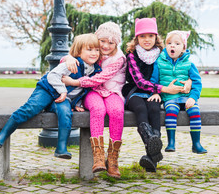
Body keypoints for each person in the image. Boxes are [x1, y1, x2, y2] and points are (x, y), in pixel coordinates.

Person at [0, 34, 101, 159]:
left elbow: (81, 90)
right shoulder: (72, 64)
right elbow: (52, 75)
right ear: (78, 51)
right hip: (47, 90)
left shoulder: (95, 71)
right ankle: (2, 135)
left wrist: (77, 104)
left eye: (97, 50)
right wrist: (63, 91)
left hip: (62, 99)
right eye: (90, 49)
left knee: (65, 113)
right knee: (31, 108)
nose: (94, 53)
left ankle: (61, 148)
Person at [122, 18, 191, 172]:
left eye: (150, 36)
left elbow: (168, 73)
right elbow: (139, 82)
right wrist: (164, 89)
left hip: (154, 92)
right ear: (136, 38)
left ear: (156, 38)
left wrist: (159, 91)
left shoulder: (161, 54)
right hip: (135, 92)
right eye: (142, 36)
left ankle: (151, 157)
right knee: (141, 108)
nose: (147, 40)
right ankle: (154, 150)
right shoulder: (132, 56)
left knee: (154, 109)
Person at [62, 22, 126, 178]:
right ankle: (98, 157)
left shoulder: (119, 58)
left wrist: (76, 82)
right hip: (91, 92)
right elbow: (74, 53)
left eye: (111, 42)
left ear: (116, 43)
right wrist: (68, 58)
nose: (105, 46)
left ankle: (112, 159)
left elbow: (101, 78)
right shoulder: (93, 51)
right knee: (98, 109)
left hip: (112, 91)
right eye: (102, 41)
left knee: (116, 111)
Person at [149, 30, 207, 154]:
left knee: (195, 112)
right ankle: (171, 142)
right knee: (171, 111)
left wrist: (193, 97)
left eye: (177, 43)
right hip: (170, 98)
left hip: (186, 97)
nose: (172, 46)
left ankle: (196, 144)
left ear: (183, 48)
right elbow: (154, 81)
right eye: (169, 43)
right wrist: (155, 92)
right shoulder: (159, 62)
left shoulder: (189, 64)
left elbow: (197, 82)